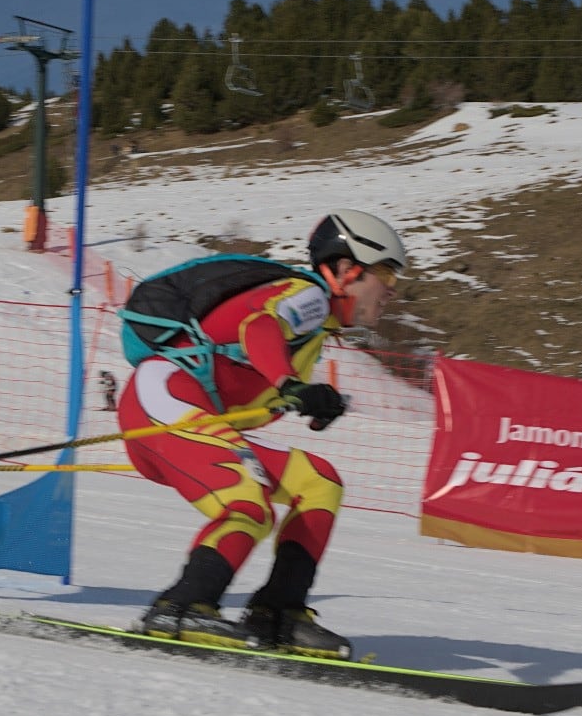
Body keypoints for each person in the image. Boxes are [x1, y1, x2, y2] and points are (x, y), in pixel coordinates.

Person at [116, 209, 405, 659]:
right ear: (348, 271)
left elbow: (246, 369)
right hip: (165, 402)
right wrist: (292, 387)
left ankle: (278, 613)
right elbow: (260, 327)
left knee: (318, 481)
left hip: (182, 415)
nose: (391, 289)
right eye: (385, 272)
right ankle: (182, 607)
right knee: (246, 501)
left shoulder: (314, 325)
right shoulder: (308, 295)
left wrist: (304, 400)